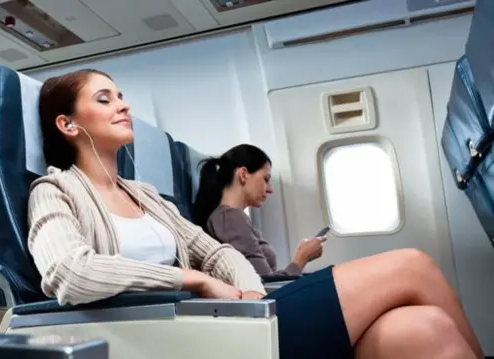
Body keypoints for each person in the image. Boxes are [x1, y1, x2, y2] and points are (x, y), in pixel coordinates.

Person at [27, 68, 483, 359]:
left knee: (426, 329)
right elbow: (69, 273)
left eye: (121, 94)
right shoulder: (54, 191)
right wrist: (194, 281)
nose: (123, 103)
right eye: (104, 99)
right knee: (411, 265)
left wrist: (247, 299)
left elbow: (217, 252)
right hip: (173, 335)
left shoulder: (145, 196)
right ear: (68, 125)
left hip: (231, 324)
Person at [192, 144, 324, 277]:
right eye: (265, 179)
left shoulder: (231, 218)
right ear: (243, 175)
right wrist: (301, 258)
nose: (270, 189)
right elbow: (264, 283)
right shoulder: (230, 218)